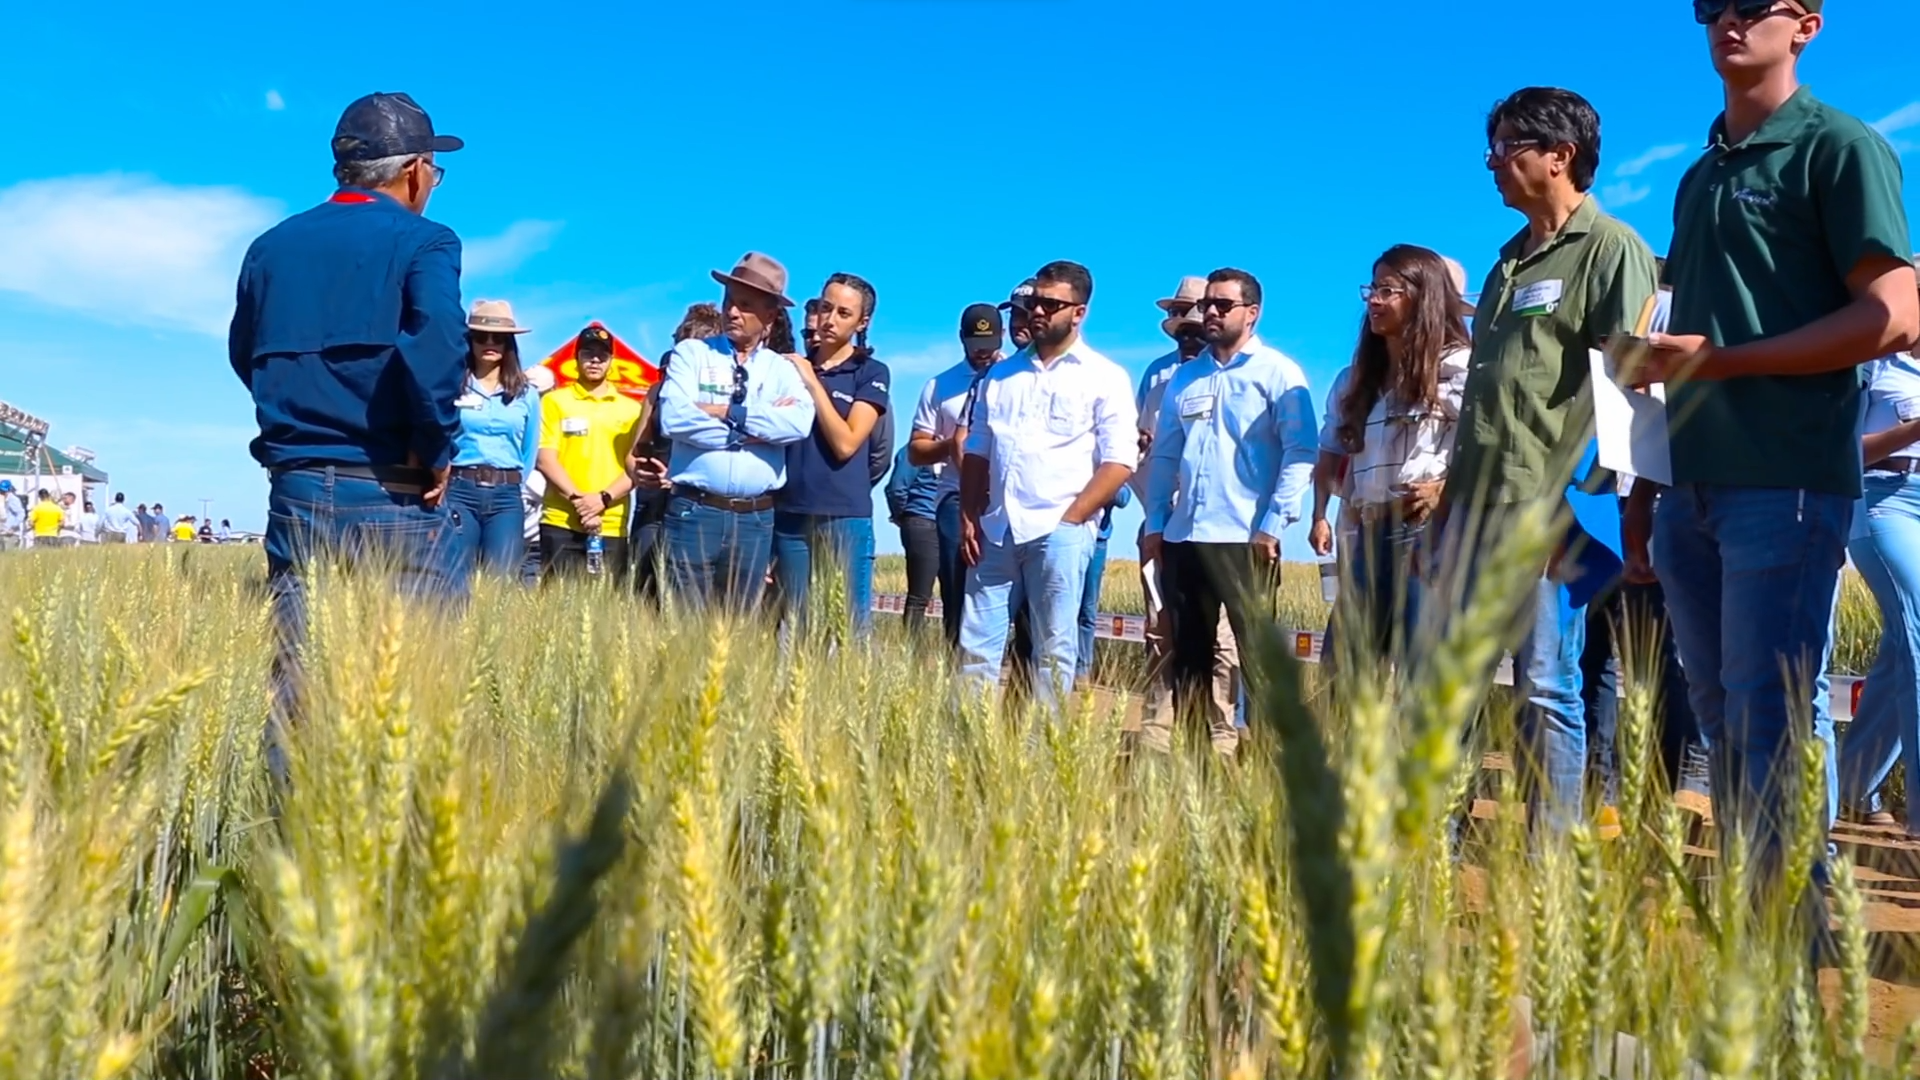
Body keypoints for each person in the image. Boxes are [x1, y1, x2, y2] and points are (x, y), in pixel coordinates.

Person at [1628, 1, 1917, 879]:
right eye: (1709, 5)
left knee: (1774, 713)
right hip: (1690, 485)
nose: (1727, 19)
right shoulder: (1699, 175)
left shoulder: (1839, 146)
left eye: (1754, 4)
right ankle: (1766, 908)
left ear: (1807, 25)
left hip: (1785, 479)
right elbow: (1672, 339)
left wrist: (1727, 363)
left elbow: (1896, 314)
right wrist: (1644, 490)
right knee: (1721, 713)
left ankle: (1794, 923)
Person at [1435, 86, 1659, 832]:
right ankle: (1441, 840)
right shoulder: (1504, 269)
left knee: (1544, 682)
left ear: (1559, 156)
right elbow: (1485, 405)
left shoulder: (1610, 249)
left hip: (1550, 506)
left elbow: (1625, 386)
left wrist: (1583, 507)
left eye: (1507, 148)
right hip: (1475, 507)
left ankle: (1550, 858)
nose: (1492, 163)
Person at [229, 91, 468, 778]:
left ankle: (283, 848)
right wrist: (436, 442)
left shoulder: (270, 246)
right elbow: (439, 341)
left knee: (296, 690)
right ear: (417, 170)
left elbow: (245, 352)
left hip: (297, 490)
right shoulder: (426, 240)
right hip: (397, 492)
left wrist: (302, 422)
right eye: (435, 172)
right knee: (414, 695)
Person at [1142, 268, 1314, 751]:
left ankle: (1267, 766)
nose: (1211, 313)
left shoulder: (1279, 373)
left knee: (1259, 662)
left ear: (1252, 313)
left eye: (1223, 305)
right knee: (1192, 660)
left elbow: (1300, 450)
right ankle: (1198, 766)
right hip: (1185, 539)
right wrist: (1156, 521)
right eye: (1208, 305)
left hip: (1246, 541)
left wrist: (1273, 524)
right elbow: (1166, 455)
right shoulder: (1186, 378)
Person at [958, 260, 1136, 709]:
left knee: (1053, 651)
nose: (1037, 311)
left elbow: (1120, 462)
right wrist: (969, 514)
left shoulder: (1106, 376)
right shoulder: (999, 376)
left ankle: (1041, 758)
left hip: (1059, 533)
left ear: (1079, 312)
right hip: (995, 529)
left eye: (1051, 304)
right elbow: (977, 450)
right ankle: (965, 748)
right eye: (1034, 301)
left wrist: (1071, 520)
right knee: (975, 648)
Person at [1318, 246, 1472, 673]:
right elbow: (1331, 454)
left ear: (1424, 297)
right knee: (1342, 670)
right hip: (1368, 532)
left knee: (1422, 673)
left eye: (1389, 290)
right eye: (1373, 288)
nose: (1374, 300)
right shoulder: (1359, 379)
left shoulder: (1455, 366)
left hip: (1422, 532)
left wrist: (1446, 486)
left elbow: (1486, 439)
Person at [656, 253, 817, 611]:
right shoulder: (691, 354)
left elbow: (798, 424)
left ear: (770, 316)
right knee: (684, 631)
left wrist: (727, 412)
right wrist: (754, 430)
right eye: (729, 302)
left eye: (745, 306)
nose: (731, 312)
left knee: (738, 631)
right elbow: (674, 418)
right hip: (694, 511)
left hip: (755, 521)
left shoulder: (782, 369)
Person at [1134, 277, 1242, 753]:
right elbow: (1142, 445)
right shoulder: (1158, 377)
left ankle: (1217, 728)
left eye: (1196, 321)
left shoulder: (1235, 374)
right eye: (1182, 322)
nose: (1189, 331)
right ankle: (1158, 728)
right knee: (1162, 628)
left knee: (1219, 639)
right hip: (1162, 521)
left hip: (1217, 524)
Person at [774, 274, 891, 641]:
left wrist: (812, 383)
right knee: (793, 629)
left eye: (843, 313)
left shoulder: (870, 372)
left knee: (849, 632)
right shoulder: (786, 369)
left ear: (862, 322)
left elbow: (847, 443)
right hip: (790, 515)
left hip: (844, 515)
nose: (830, 319)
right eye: (826, 308)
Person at [1838, 346, 1920, 835]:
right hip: (1883, 502)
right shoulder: (1871, 363)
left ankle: (1853, 783)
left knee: (1900, 649)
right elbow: (1840, 451)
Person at [910, 303, 1005, 647]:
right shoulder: (939, 385)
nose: (984, 351)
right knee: (957, 592)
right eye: (976, 342)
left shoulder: (1016, 376)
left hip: (1006, 499)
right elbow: (915, 450)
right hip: (955, 497)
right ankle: (956, 665)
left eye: (991, 341)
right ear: (961, 339)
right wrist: (954, 444)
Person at [536, 325, 642, 579]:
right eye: (588, 353)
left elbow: (636, 466)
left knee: (606, 610)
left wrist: (602, 500)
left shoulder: (632, 409)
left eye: (602, 355)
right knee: (556, 609)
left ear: (611, 361)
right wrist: (579, 502)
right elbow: (545, 458)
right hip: (560, 519)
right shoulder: (555, 401)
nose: (595, 360)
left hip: (612, 522)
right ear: (576, 358)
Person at [449, 299, 541, 577]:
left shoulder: (527, 394)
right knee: (454, 579)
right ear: (469, 340)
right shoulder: (454, 386)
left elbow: (529, 450)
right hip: (459, 490)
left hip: (506, 497)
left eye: (498, 338)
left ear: (508, 343)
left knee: (501, 583)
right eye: (480, 336)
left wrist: (512, 483)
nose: (489, 343)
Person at [884, 443, 942, 637]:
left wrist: (902, 517)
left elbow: (897, 488)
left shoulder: (915, 450)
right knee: (953, 597)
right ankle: (954, 655)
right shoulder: (958, 448)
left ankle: (914, 653)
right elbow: (896, 489)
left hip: (921, 520)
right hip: (937, 521)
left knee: (919, 596)